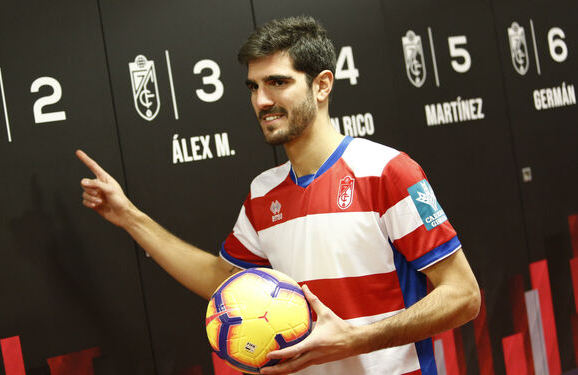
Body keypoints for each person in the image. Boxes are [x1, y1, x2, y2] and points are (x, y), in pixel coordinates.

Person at [77, 16, 480, 375]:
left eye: (277, 82)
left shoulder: (387, 171)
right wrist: (130, 216)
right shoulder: (262, 192)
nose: (261, 101)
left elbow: (463, 296)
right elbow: (222, 280)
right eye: (253, 87)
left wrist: (357, 339)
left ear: (322, 85)